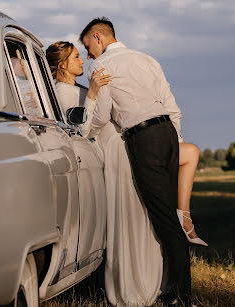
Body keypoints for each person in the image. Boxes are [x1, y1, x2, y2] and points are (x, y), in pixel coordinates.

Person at [79, 17, 193, 306]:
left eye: (88, 46)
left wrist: (86, 131)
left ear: (98, 37)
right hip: (167, 132)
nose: (87, 54)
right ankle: (171, 288)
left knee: (162, 217)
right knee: (167, 210)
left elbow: (103, 116)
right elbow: (171, 105)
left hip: (143, 138)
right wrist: (174, 140)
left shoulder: (101, 66)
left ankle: (181, 295)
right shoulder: (148, 59)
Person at [46, 41, 163, 306]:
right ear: (62, 64)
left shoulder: (77, 88)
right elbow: (81, 128)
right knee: (124, 216)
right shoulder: (61, 92)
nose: (82, 61)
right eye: (76, 56)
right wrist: (94, 92)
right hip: (107, 154)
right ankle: (127, 287)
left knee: (137, 212)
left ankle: (145, 279)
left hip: (118, 148)